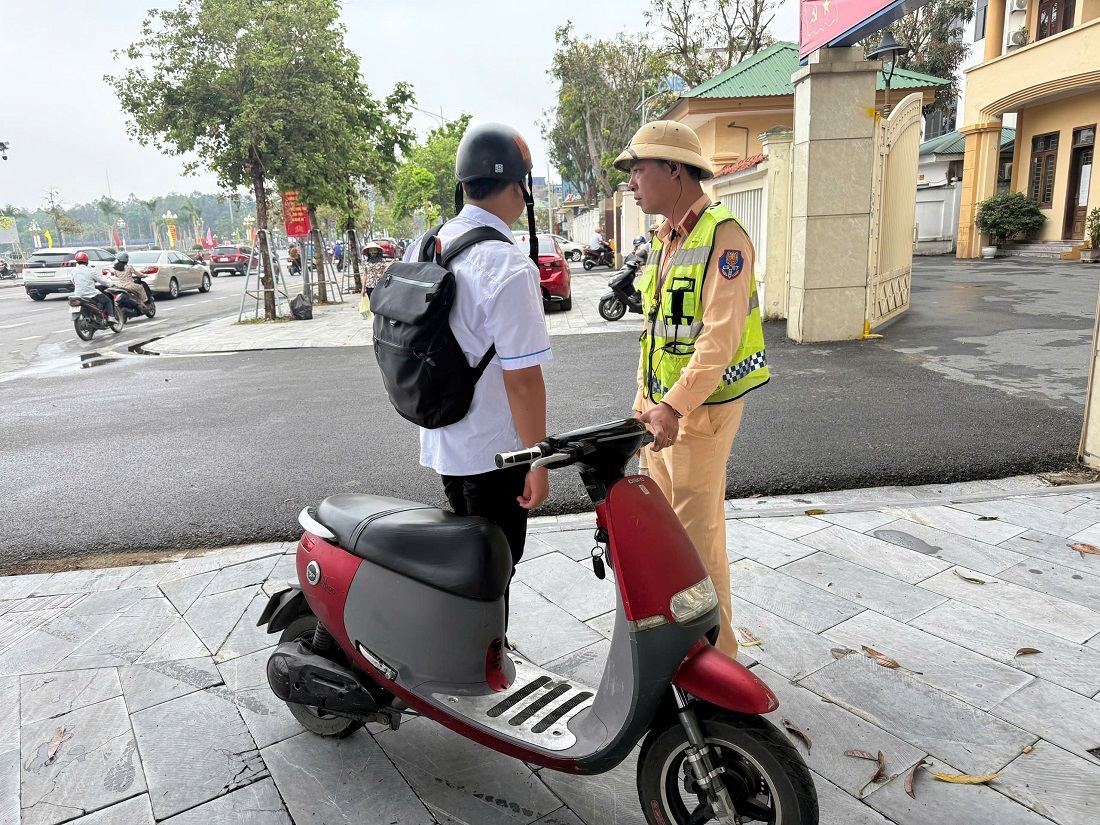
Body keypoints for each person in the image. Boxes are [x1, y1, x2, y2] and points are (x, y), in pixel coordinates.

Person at [614, 120, 769, 659]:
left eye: (639, 170)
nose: (631, 183)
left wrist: (672, 406)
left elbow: (718, 342)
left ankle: (718, 662)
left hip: (700, 414)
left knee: (696, 540)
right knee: (671, 535)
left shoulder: (723, 238)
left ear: (675, 170)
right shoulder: (666, 241)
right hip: (664, 414)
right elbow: (655, 334)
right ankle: (684, 650)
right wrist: (645, 402)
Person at [406, 121, 551, 626]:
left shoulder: (427, 246)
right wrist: (539, 461)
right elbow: (523, 379)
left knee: (468, 566)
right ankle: (484, 661)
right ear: (519, 188)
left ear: (463, 184)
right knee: (495, 568)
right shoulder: (508, 266)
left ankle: (469, 655)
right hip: (496, 453)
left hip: (444, 438)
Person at [70, 251, 117, 325]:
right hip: (91, 294)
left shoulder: (73, 271)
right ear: (87, 261)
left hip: (78, 294)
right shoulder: (91, 270)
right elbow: (101, 281)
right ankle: (111, 317)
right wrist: (110, 285)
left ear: (77, 262)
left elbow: (73, 281)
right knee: (107, 301)